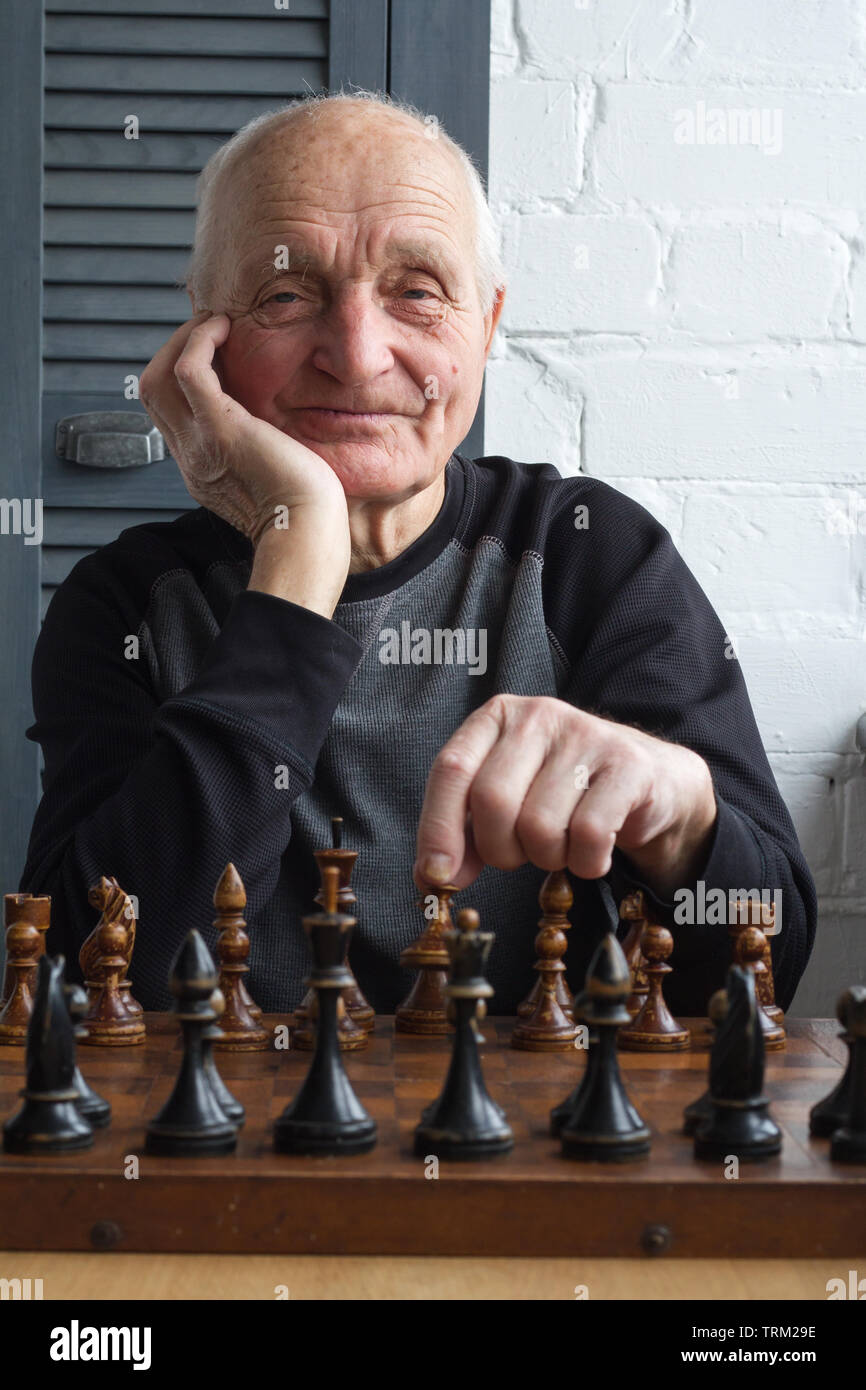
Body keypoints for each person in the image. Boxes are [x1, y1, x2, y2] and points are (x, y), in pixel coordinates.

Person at [20, 92, 816, 1015]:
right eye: (285, 293)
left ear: (486, 324)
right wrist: (299, 557)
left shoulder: (593, 560)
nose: (358, 358)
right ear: (205, 333)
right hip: (217, 1154)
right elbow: (86, 980)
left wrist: (686, 818)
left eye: (418, 291)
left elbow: (770, 970)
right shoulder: (123, 606)